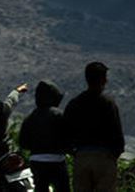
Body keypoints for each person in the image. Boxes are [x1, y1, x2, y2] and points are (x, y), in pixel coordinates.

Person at [64, 62, 125, 192]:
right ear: (103, 79)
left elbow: (65, 132)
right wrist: (115, 154)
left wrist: (74, 152)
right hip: (104, 157)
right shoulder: (108, 103)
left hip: (81, 157)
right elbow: (117, 132)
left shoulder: (75, 103)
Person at [19, 80, 70, 192]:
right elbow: (69, 138)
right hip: (57, 161)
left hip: (36, 161)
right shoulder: (59, 115)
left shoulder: (30, 118)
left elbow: (23, 142)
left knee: (40, 188)